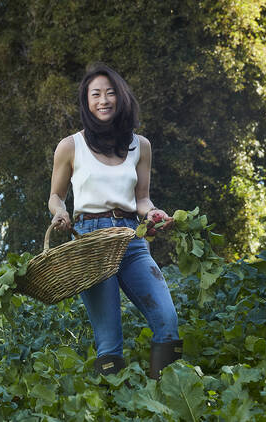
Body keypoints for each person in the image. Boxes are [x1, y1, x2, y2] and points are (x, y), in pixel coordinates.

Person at [48, 63, 182, 380]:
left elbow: (142, 199)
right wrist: (60, 212)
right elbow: (56, 195)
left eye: (110, 93)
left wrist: (153, 214)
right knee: (109, 341)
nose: (103, 100)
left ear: (121, 98)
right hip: (89, 244)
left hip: (132, 241)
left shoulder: (141, 146)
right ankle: (115, 405)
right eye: (95, 94)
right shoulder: (70, 146)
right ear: (86, 101)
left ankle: (167, 397)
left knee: (167, 319)